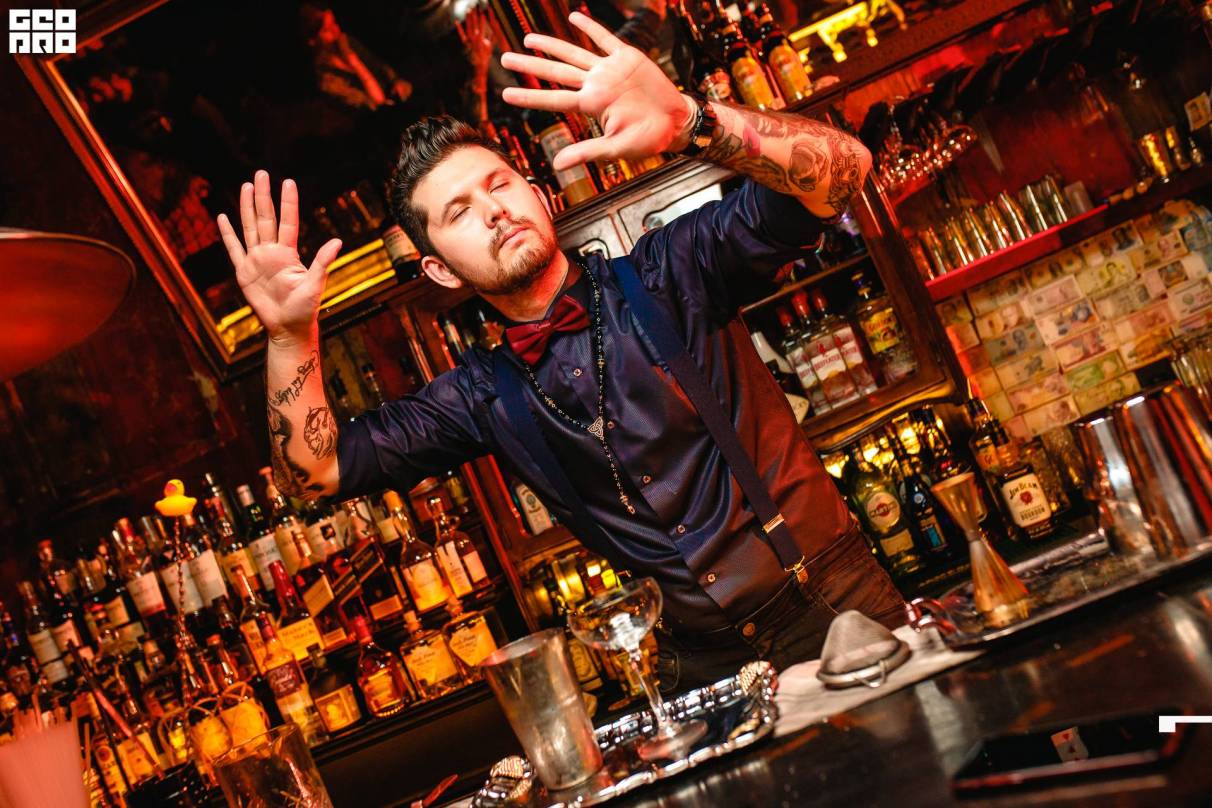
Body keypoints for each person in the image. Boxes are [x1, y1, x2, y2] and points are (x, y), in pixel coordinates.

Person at [217, 12, 901, 690]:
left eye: (499, 185)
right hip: (698, 666)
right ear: (440, 272)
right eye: (458, 212)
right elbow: (315, 472)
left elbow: (846, 170)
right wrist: (289, 338)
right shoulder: (480, 396)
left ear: (540, 195)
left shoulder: (671, 272)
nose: (493, 210)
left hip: (832, 602)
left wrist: (694, 121)